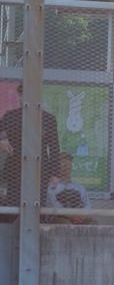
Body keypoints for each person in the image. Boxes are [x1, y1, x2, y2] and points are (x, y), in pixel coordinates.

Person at [0, 83, 61, 220]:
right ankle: (13, 236)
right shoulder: (10, 116)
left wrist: (55, 173)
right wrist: (2, 141)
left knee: (36, 206)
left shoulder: (48, 119)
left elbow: (54, 147)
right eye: (23, 94)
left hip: (40, 170)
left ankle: (36, 235)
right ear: (20, 96)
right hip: (15, 168)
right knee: (14, 206)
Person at [46, 153, 90, 225]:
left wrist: (82, 216)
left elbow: (87, 205)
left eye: (68, 164)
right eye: (63, 163)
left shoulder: (79, 187)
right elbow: (54, 205)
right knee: (66, 224)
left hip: (78, 216)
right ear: (57, 166)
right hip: (59, 217)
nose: (66, 166)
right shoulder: (52, 186)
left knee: (92, 223)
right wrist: (70, 216)